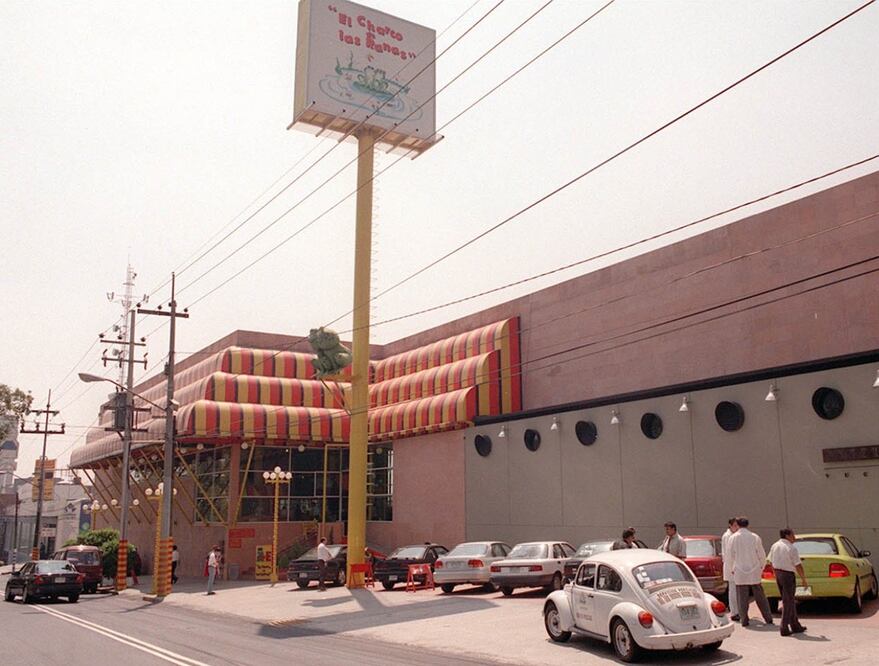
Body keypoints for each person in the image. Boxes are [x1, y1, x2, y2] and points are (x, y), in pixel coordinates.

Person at [728, 516, 773, 627]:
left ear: (737, 525)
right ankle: (768, 618)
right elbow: (761, 554)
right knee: (760, 596)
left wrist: (731, 568)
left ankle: (744, 620)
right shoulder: (755, 537)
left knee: (742, 597)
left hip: (739, 570)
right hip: (754, 569)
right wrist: (761, 566)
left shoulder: (733, 538)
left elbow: (730, 556)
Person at [769, 528, 808, 636]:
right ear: (787, 535)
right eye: (793, 534)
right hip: (787, 575)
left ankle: (795, 625)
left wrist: (775, 573)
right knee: (788, 602)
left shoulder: (775, 545)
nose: (794, 537)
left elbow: (771, 561)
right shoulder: (791, 548)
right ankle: (784, 626)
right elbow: (798, 565)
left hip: (778, 573)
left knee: (789, 600)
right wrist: (804, 579)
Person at [721, 517, 740, 620]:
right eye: (735, 526)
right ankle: (734, 612)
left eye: (737, 525)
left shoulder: (732, 535)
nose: (736, 528)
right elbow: (729, 554)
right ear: (730, 525)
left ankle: (736, 611)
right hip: (730, 566)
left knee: (735, 590)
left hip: (733, 566)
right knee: (733, 590)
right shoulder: (728, 536)